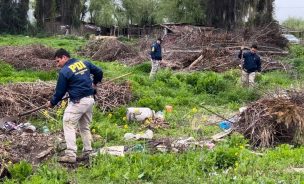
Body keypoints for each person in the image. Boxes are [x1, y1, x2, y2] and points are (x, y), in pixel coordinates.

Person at [47, 48, 103, 163]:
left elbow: (60, 92)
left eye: (58, 61)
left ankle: (71, 154)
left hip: (78, 102)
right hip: (90, 100)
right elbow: (99, 72)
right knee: (84, 126)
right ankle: (88, 152)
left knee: (68, 123)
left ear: (64, 57)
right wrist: (95, 83)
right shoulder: (84, 63)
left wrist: (52, 103)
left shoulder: (65, 71)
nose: (57, 65)